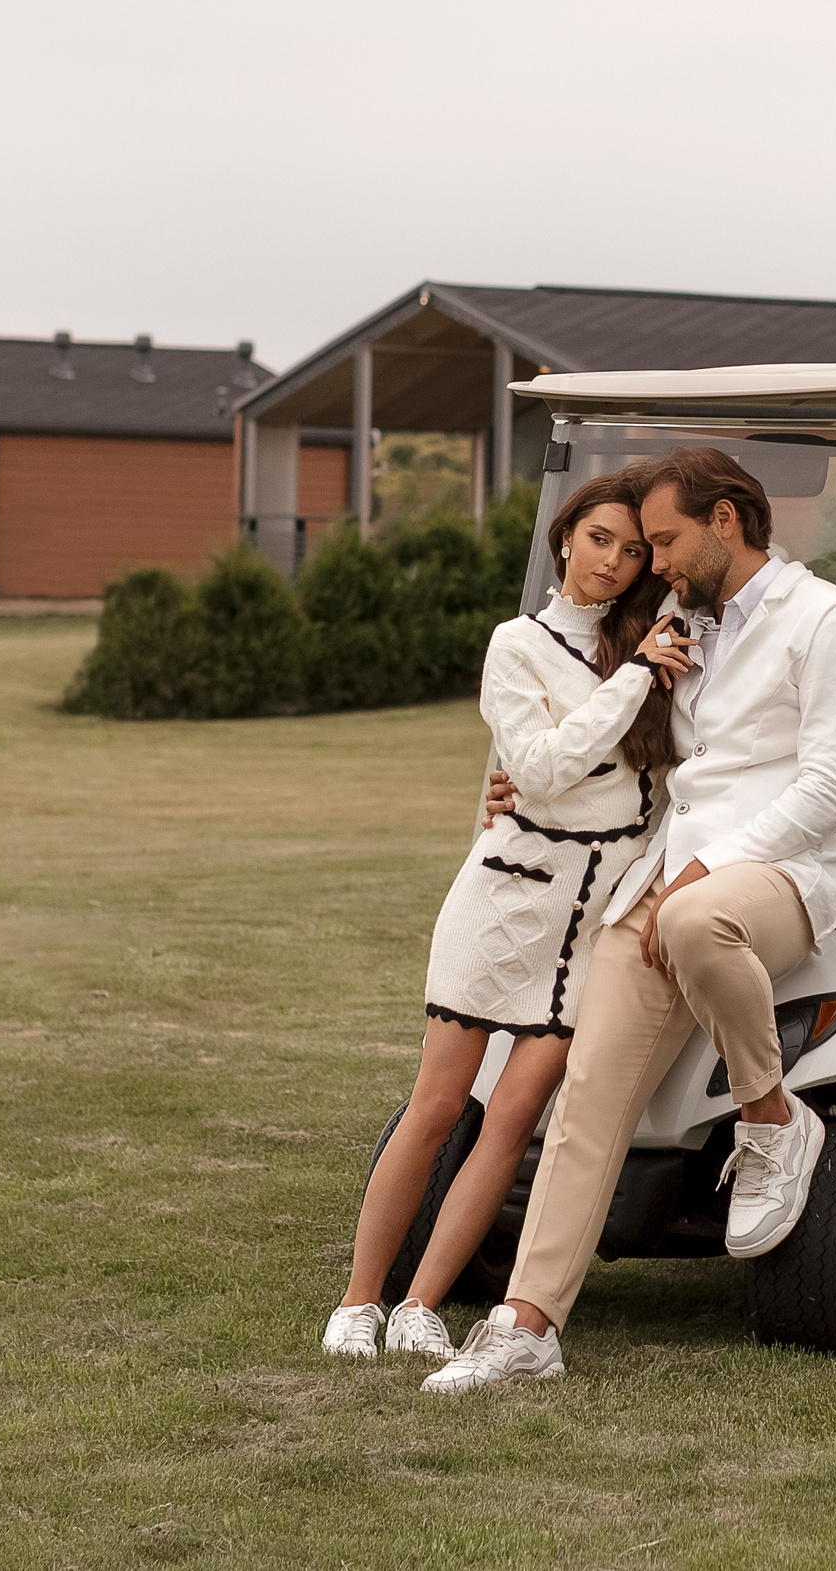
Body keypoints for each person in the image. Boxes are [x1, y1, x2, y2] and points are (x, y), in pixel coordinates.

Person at [421, 445, 836, 1394]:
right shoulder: (685, 624)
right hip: (670, 875)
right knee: (588, 1089)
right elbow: (653, 759)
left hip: (788, 874)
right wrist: (526, 791)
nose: (653, 559)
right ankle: (528, 1323)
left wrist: (711, 865)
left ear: (726, 520)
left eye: (666, 539)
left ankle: (772, 1119)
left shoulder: (831, 621)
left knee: (695, 922)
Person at [320, 470, 680, 1364]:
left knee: (518, 1113)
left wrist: (642, 668)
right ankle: (358, 1300)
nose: (614, 560)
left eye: (634, 550)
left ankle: (423, 1305)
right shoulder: (517, 644)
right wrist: (635, 678)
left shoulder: (654, 645)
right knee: (441, 1103)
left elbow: (665, 783)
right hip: (505, 898)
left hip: (591, 914)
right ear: (565, 537)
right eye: (600, 538)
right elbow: (546, 768)